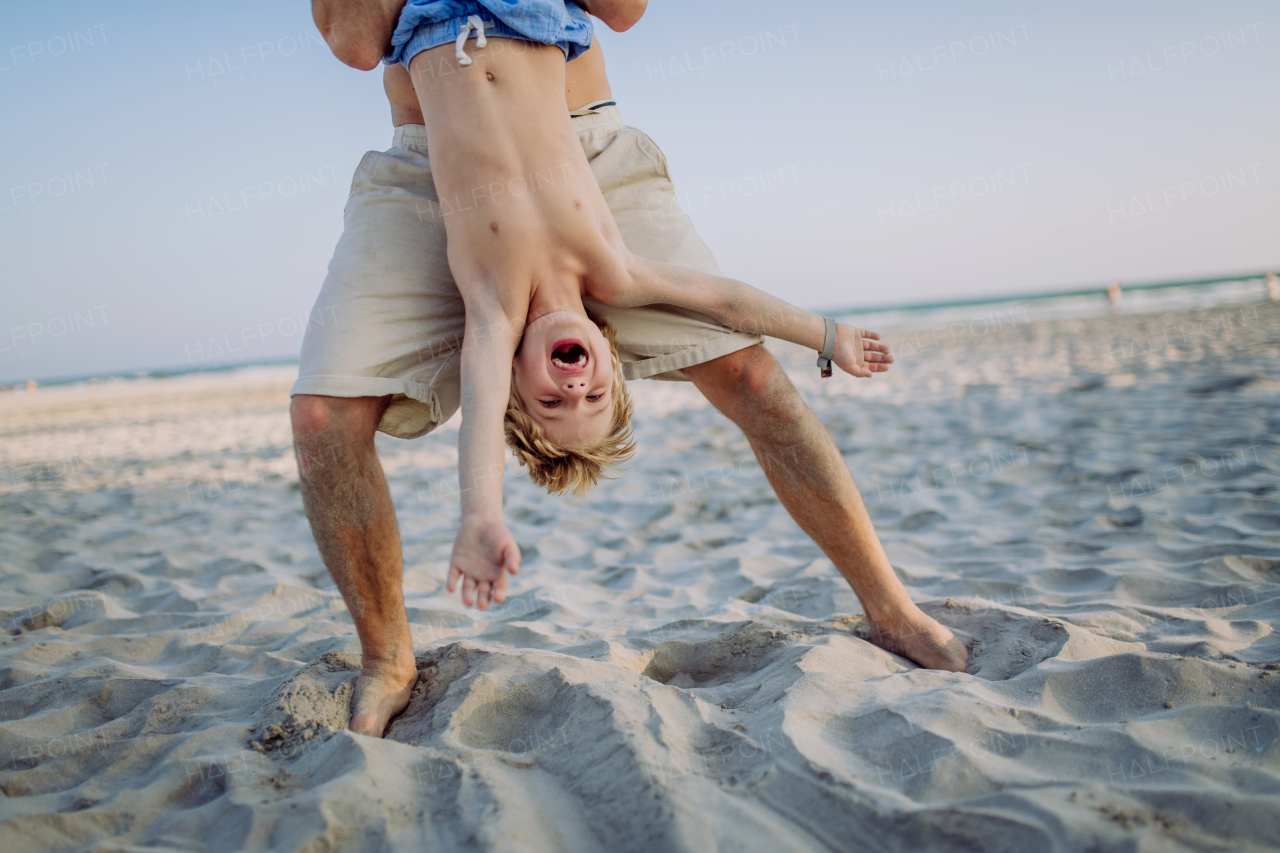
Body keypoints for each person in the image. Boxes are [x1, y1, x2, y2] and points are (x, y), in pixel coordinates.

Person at [296, 0, 968, 738]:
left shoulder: (494, 313)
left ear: (522, 380)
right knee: (325, 421)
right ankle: (387, 656)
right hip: (503, 55)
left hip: (468, 50)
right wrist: (826, 332)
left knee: (750, 379)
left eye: (553, 403)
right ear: (614, 352)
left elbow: (483, 408)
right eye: (592, 393)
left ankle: (890, 607)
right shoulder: (612, 272)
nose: (574, 384)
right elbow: (728, 300)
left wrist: (481, 517)